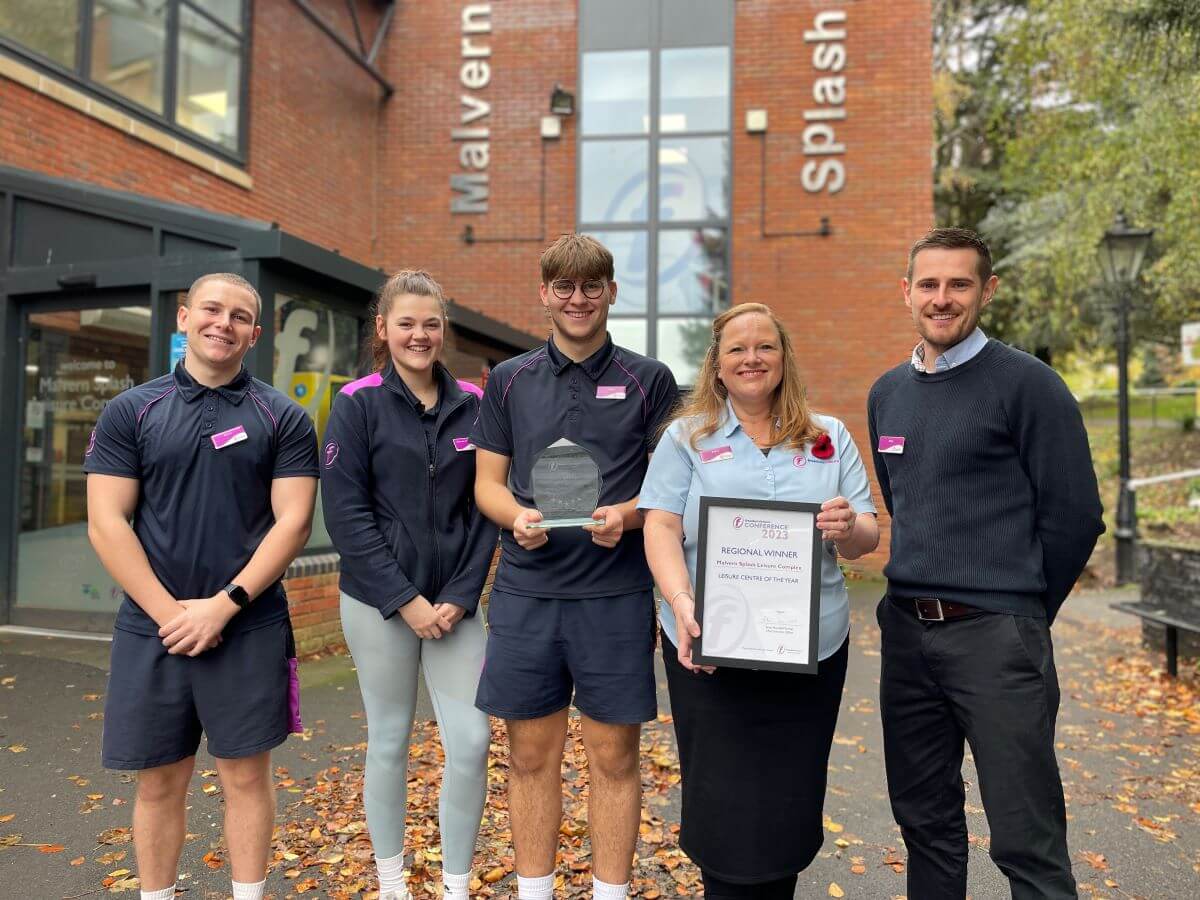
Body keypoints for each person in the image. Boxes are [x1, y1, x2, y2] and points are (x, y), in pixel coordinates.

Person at [868, 227, 1104, 899]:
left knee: (1026, 837)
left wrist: (1020, 607)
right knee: (926, 824)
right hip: (909, 638)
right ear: (907, 293)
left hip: (998, 639)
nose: (942, 299)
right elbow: (907, 504)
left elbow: (1075, 517)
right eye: (929, 284)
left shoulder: (1029, 386)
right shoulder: (887, 393)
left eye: (959, 284)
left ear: (987, 290)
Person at [84, 273, 318, 900]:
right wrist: (173, 615)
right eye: (212, 310)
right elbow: (107, 523)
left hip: (249, 625)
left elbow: (293, 522)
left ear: (255, 334)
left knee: (246, 777)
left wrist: (223, 606)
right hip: (151, 627)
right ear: (183, 317)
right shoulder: (131, 410)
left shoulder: (284, 416)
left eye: (240, 316)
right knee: (159, 781)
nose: (224, 323)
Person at [637, 302, 879, 899]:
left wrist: (847, 528)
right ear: (717, 366)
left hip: (810, 651)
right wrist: (681, 602)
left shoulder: (829, 436)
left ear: (783, 357)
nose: (752, 359)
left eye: (764, 347)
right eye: (737, 349)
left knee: (789, 801)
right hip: (708, 644)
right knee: (722, 803)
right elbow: (660, 526)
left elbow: (867, 538)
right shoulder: (685, 438)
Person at [470, 233, 678, 900]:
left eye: (592, 285)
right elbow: (486, 485)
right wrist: (514, 517)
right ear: (545, 295)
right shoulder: (509, 380)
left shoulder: (650, 380)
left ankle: (609, 894)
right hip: (527, 595)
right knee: (530, 757)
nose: (578, 298)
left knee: (614, 758)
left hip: (614, 597)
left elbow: (671, 489)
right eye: (564, 286)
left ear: (611, 292)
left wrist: (628, 515)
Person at [320, 270, 497, 900]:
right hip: (378, 605)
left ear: (442, 329)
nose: (419, 335)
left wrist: (457, 595)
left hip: (456, 606)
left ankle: (455, 884)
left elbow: (484, 507)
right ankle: (391, 880)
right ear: (383, 330)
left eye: (430, 324)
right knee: (390, 738)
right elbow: (346, 514)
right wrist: (405, 600)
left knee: (472, 742)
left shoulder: (476, 404)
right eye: (406, 323)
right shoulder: (356, 402)